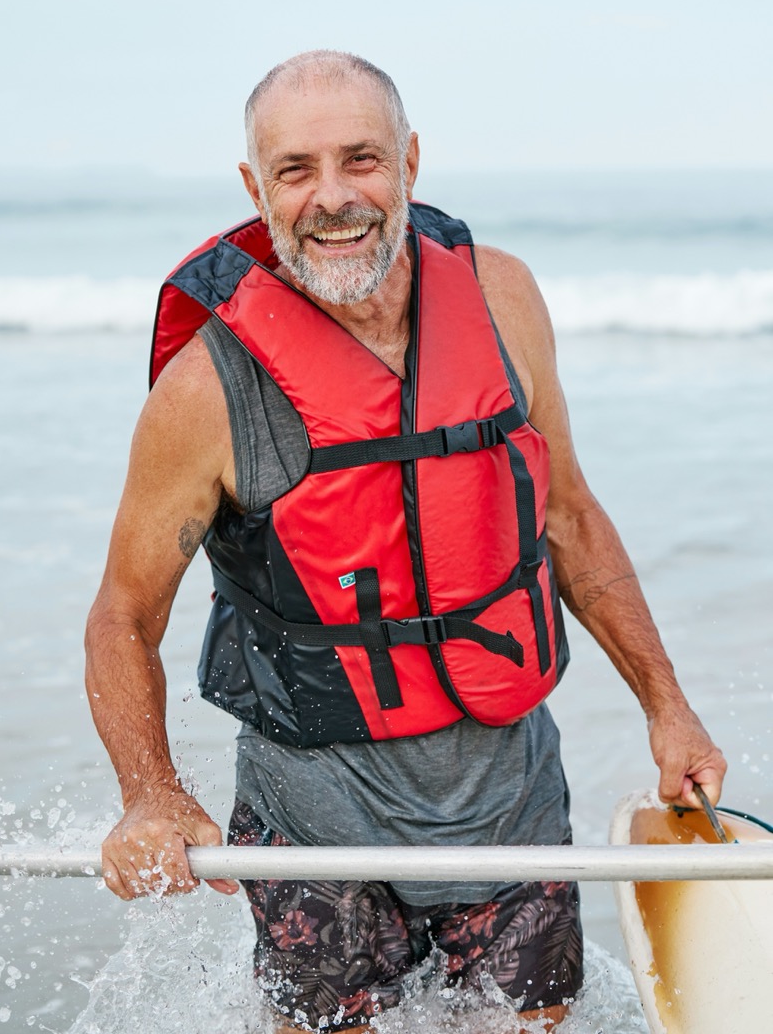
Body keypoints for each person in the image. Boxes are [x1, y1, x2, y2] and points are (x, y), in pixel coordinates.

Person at [85, 50, 726, 1032]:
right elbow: (124, 613)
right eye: (294, 169)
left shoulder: (502, 298)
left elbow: (568, 517)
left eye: (361, 159)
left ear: (411, 162)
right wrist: (149, 794)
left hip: (507, 812)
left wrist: (667, 709)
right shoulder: (205, 392)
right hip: (315, 826)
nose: (332, 196)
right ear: (255, 189)